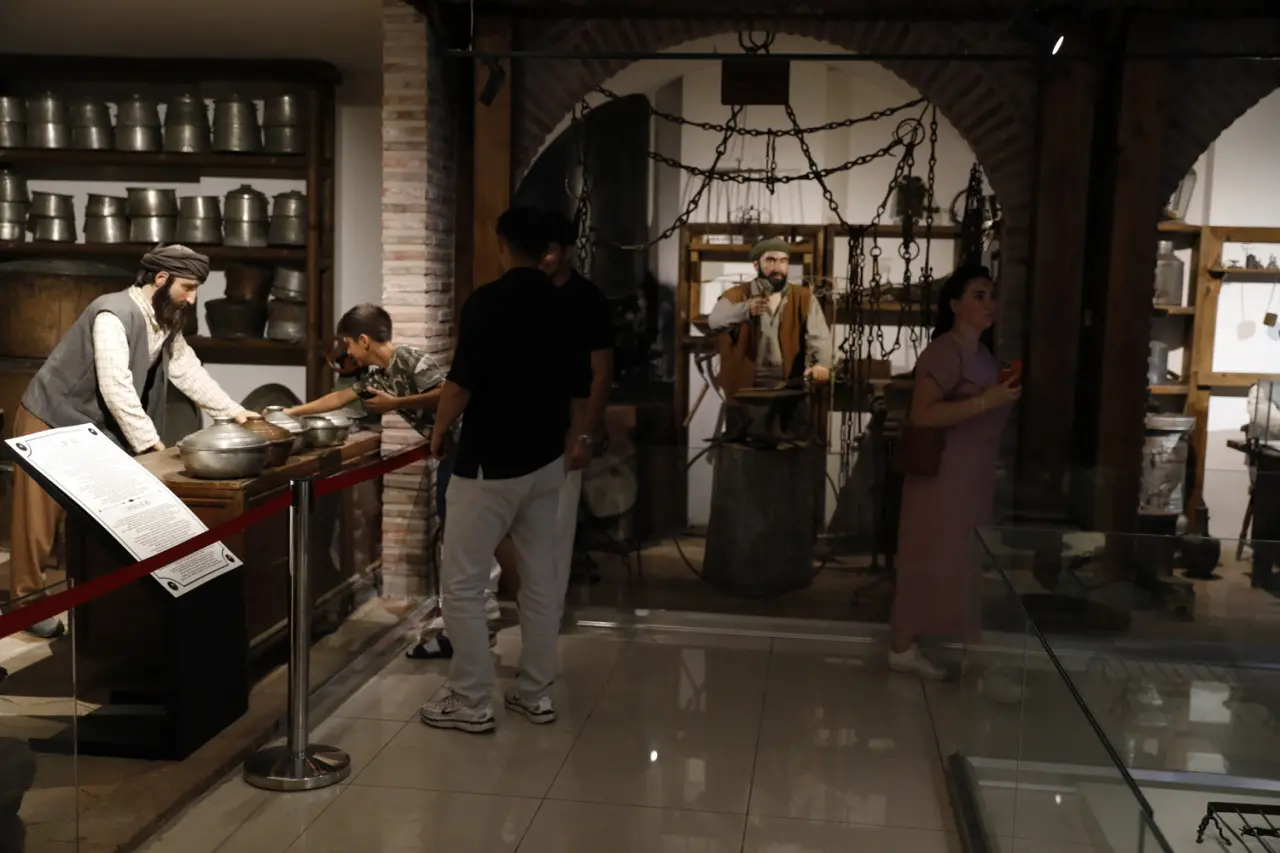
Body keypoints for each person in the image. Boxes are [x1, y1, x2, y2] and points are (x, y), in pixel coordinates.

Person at [9, 244, 261, 638]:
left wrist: (232, 412)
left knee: (96, 520)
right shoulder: (112, 313)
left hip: (92, 428)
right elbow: (116, 386)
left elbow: (187, 370)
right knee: (37, 524)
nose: (192, 299)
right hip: (51, 418)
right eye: (188, 288)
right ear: (161, 279)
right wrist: (147, 443)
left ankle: (97, 610)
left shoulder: (165, 318)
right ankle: (27, 605)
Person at [419, 206, 591, 734]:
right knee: (540, 579)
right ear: (547, 251)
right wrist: (574, 440)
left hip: (489, 462)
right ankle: (535, 693)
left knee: (463, 583)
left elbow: (460, 383)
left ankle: (471, 699)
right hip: (545, 461)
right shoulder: (566, 306)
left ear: (502, 245)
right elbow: (581, 388)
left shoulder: (486, 302)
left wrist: (439, 430)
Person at [283, 304, 513, 658]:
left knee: (465, 537)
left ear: (363, 340)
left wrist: (397, 403)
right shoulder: (378, 375)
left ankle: (478, 620)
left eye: (349, 343)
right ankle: (469, 621)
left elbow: (447, 392)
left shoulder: (409, 359)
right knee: (457, 535)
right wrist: (290, 412)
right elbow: (342, 396)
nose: (348, 352)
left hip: (471, 453)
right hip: (454, 454)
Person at [887, 265, 1019, 684]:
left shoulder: (983, 355)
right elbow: (922, 414)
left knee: (966, 562)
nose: (989, 304)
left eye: (992, 295)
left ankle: (973, 647)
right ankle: (903, 646)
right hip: (942, 478)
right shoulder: (944, 352)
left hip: (972, 475)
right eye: (979, 296)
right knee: (930, 558)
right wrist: (986, 402)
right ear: (955, 305)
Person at [539, 212, 614, 598]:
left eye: (550, 250)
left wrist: (585, 434)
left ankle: (548, 610)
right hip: (522, 421)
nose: (544, 258)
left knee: (557, 523)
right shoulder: (523, 293)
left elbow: (602, 373)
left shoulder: (587, 299)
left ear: (567, 251)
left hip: (568, 422)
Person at [707, 236, 832, 439]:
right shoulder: (737, 295)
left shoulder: (803, 297)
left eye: (783, 261)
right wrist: (746, 309)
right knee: (745, 447)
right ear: (757, 264)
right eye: (771, 260)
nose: (777, 267)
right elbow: (715, 321)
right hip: (747, 386)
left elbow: (820, 337)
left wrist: (822, 364)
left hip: (789, 384)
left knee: (794, 444)